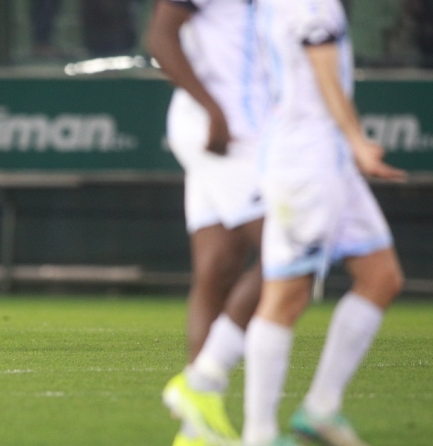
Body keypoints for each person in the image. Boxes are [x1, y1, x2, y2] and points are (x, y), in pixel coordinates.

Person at [243, 0, 406, 444]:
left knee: (381, 276)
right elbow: (323, 69)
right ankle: (257, 435)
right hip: (306, 158)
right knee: (286, 296)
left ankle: (321, 408)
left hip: (325, 155)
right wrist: (358, 140)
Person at [146, 0, 268, 444]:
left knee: (218, 267)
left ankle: (196, 429)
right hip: (218, 126)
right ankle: (202, 382)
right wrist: (213, 108)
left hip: (249, 125)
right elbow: (160, 37)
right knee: (290, 253)